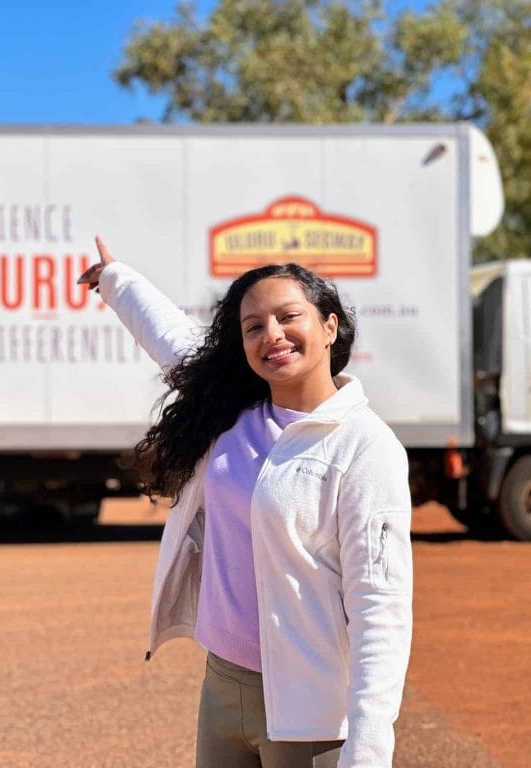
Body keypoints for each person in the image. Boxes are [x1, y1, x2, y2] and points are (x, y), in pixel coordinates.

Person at [79, 237, 412, 768]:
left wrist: (368, 752)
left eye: (288, 317)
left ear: (329, 327)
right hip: (222, 686)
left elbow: (381, 606)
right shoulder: (234, 416)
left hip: (308, 711)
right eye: (253, 326)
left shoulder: (365, 447)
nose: (272, 335)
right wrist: (117, 282)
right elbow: (172, 340)